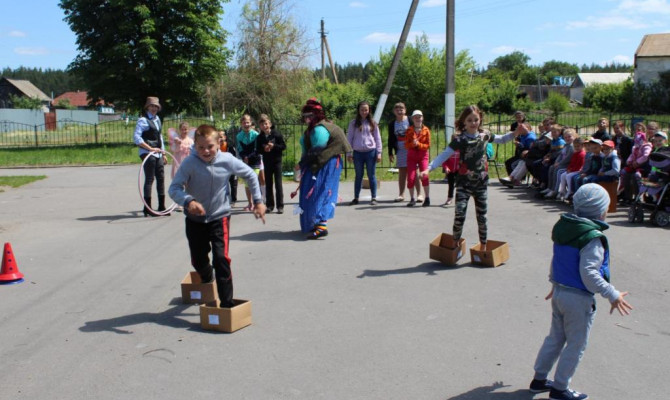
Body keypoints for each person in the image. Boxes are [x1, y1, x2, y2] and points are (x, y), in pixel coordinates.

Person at [528, 183, 633, 400]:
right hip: (578, 298)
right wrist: (612, 293)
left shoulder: (565, 228)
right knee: (576, 344)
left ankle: (539, 379)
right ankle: (560, 388)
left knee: (555, 337)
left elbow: (558, 259)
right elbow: (589, 274)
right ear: (602, 210)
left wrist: (553, 283)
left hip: (559, 292)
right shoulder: (591, 237)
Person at [168, 124, 266, 308]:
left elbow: (251, 176)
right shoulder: (190, 163)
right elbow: (174, 189)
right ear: (194, 146)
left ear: (219, 143)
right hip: (195, 220)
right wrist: (188, 201)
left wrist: (258, 201)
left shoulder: (227, 160)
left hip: (219, 218)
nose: (206, 151)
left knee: (221, 259)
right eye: (201, 147)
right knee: (198, 260)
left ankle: (227, 305)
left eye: (210, 146)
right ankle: (206, 276)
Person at [422, 105, 518, 250]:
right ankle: (455, 244)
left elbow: (503, 139)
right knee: (459, 214)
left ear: (480, 120)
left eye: (476, 119)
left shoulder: (485, 135)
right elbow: (444, 154)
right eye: (470, 120)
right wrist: (428, 168)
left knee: (482, 217)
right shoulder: (460, 139)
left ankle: (484, 247)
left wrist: (516, 132)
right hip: (463, 184)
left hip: (481, 184)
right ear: (464, 122)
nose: (473, 123)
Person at [297, 98, 352, 239]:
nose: (307, 119)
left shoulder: (321, 129)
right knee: (310, 193)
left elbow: (317, 149)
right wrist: (302, 164)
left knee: (321, 192)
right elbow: (309, 150)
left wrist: (302, 163)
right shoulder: (313, 129)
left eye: (310, 116)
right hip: (318, 164)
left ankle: (321, 225)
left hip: (327, 164)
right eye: (305, 116)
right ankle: (314, 223)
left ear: (317, 115)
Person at [133, 96, 168, 217]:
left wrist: (163, 152)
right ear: (147, 107)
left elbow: (160, 137)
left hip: (157, 152)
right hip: (147, 153)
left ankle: (162, 206)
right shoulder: (142, 120)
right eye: (152, 106)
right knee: (150, 178)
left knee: (161, 177)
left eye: (156, 106)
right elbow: (137, 138)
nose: (154, 108)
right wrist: (150, 148)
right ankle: (147, 207)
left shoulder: (157, 119)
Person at [347, 101, 383, 205]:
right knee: (359, 175)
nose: (364, 112)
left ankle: (374, 197)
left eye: (366, 110)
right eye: (362, 110)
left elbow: (378, 138)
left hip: (370, 152)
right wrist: (349, 153)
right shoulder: (353, 123)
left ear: (369, 110)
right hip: (358, 153)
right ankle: (356, 197)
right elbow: (349, 138)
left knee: (371, 175)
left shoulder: (373, 123)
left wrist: (379, 153)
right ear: (358, 110)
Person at [387, 102, 422, 202]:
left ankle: (419, 194)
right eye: (397, 109)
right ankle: (401, 194)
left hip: (412, 149)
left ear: (405, 110)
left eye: (401, 109)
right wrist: (390, 152)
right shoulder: (392, 124)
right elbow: (391, 139)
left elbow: (420, 131)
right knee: (402, 172)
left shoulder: (411, 120)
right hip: (400, 150)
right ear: (394, 111)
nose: (399, 111)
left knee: (414, 171)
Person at [256, 114, 286, 214]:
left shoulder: (276, 134)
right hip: (267, 162)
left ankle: (280, 206)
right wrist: (264, 148)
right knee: (268, 184)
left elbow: (283, 146)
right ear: (260, 127)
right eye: (262, 125)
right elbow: (258, 150)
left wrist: (274, 146)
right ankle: (269, 205)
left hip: (277, 162)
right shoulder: (260, 137)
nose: (264, 126)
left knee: (278, 184)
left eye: (266, 124)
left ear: (270, 124)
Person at [236, 114, 265, 211]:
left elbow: (257, 149)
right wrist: (244, 156)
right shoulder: (239, 136)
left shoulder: (256, 135)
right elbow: (239, 149)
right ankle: (250, 203)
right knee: (247, 183)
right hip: (245, 162)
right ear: (241, 124)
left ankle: (259, 202)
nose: (246, 124)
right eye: (244, 122)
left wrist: (249, 156)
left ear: (251, 123)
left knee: (254, 180)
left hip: (255, 160)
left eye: (248, 122)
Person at [405, 110, 431, 207]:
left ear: (422, 118)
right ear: (412, 119)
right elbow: (406, 145)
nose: (418, 119)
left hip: (422, 155)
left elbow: (428, 145)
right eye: (415, 117)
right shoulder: (409, 130)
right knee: (411, 178)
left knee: (425, 176)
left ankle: (427, 198)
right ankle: (412, 199)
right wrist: (413, 144)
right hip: (411, 155)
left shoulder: (426, 130)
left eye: (419, 117)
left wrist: (418, 144)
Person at [556, 137, 586, 202]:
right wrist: (568, 169)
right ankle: (563, 190)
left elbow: (579, 165)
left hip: (578, 170)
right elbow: (571, 163)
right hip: (573, 170)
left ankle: (570, 191)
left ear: (582, 146)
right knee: (563, 175)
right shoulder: (575, 153)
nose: (576, 148)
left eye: (578, 146)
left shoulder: (582, 154)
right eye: (575, 146)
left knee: (568, 176)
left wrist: (571, 170)